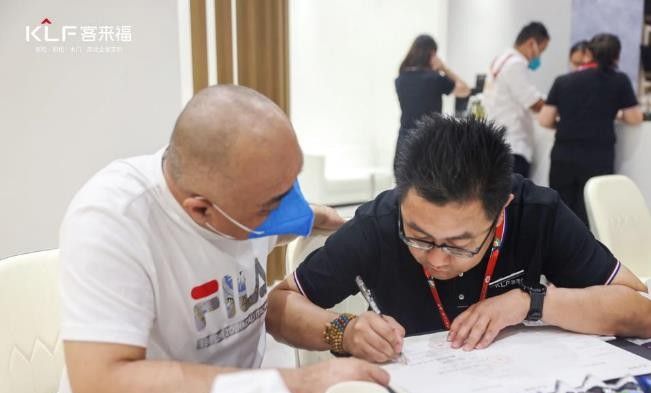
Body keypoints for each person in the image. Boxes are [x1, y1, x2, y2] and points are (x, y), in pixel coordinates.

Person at [40, 85, 389, 393]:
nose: (288, 210)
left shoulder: (245, 199)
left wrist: (316, 218)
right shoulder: (114, 221)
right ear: (201, 210)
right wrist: (293, 388)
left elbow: (283, 218)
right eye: (271, 206)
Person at [266, 115, 651, 363]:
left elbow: (639, 309)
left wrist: (530, 304)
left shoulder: (538, 213)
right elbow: (279, 306)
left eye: (459, 244)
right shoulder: (378, 224)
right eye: (418, 237)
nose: (437, 259)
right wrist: (343, 331)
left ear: (502, 208)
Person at [539, 33, 643, 226]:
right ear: (616, 57)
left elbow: (545, 119)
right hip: (597, 158)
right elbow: (635, 118)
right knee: (591, 215)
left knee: (560, 213)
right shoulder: (619, 81)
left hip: (563, 156)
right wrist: (617, 114)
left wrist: (566, 123)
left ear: (589, 54)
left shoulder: (563, 81)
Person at [483, 22, 550, 178]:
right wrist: (555, 106)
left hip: (497, 141)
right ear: (531, 43)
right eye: (541, 50)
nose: (539, 56)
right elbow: (533, 102)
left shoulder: (501, 59)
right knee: (515, 191)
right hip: (514, 145)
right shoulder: (515, 64)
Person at [394, 34, 470, 170]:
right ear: (432, 53)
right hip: (429, 141)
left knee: (404, 181)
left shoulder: (400, 79)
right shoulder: (434, 79)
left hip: (404, 141)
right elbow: (465, 90)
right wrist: (444, 68)